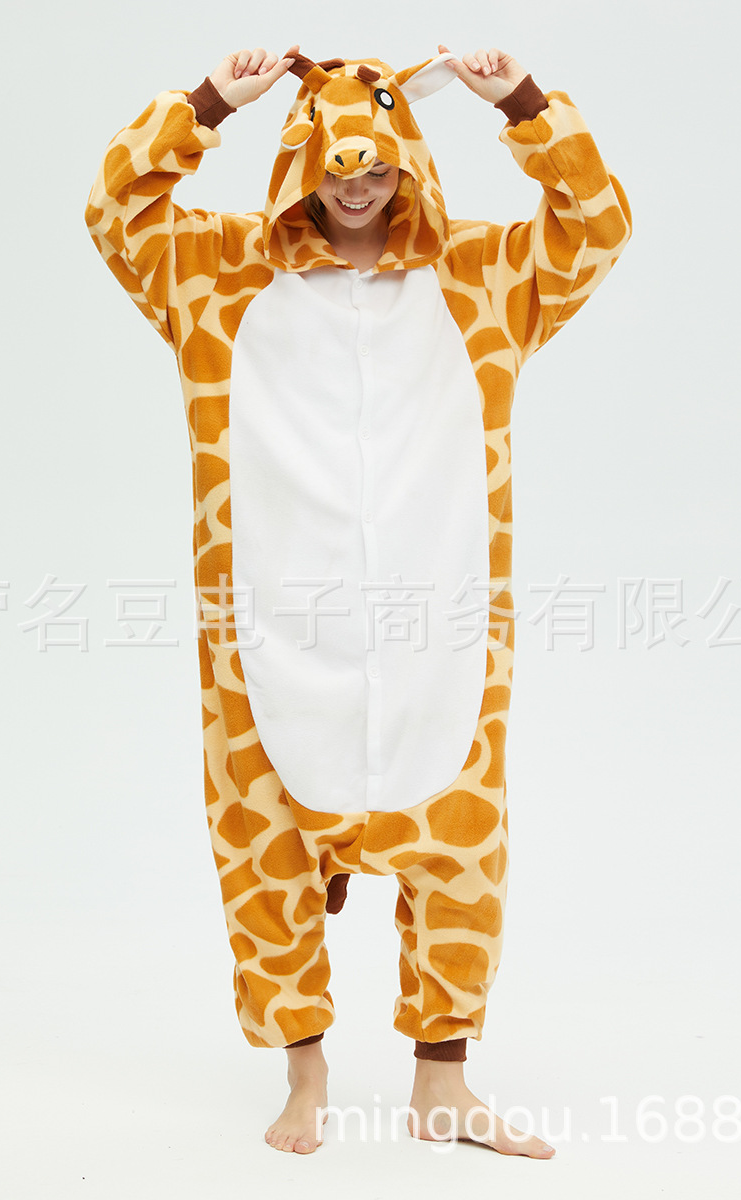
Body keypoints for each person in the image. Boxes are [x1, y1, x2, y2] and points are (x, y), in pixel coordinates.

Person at [84, 42, 631, 1159]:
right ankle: (304, 1076)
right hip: (269, 633)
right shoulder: (218, 273)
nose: (357, 187)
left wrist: (523, 107)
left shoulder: (482, 278)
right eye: (337, 167)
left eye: (378, 167)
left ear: (409, 164)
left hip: (441, 632)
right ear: (299, 161)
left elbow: (596, 224)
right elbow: (115, 209)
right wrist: (207, 105)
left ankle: (443, 1086)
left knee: (461, 853)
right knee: (264, 854)